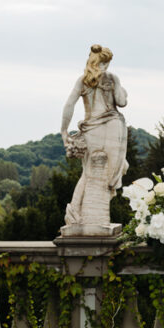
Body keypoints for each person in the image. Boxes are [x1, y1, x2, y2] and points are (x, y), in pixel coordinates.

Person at [60, 44, 129, 227]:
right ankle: (86, 215)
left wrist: (64, 130)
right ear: (105, 62)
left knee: (89, 172)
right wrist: (123, 92)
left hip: (92, 129)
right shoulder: (112, 78)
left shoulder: (83, 80)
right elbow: (121, 102)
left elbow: (69, 105)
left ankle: (76, 213)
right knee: (115, 169)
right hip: (113, 127)